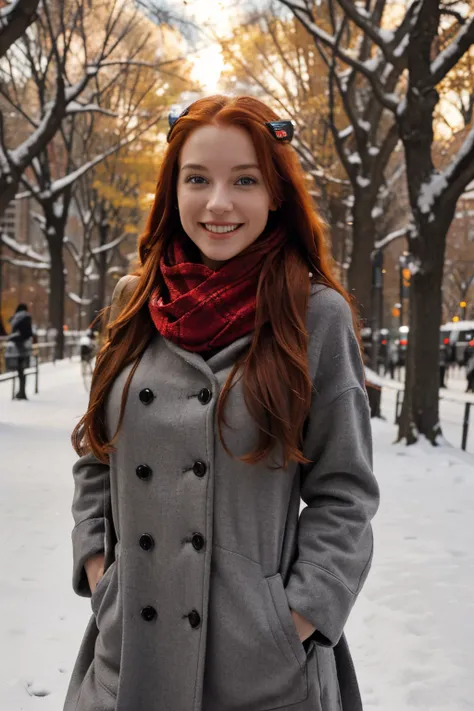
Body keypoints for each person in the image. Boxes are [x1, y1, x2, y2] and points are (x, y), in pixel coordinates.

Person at [64, 95, 380, 711]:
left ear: (275, 193)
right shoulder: (134, 303)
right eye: (197, 179)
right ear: (171, 189)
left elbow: (346, 493)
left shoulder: (314, 316)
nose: (218, 204)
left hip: (257, 674)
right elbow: (96, 458)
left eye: (244, 180)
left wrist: (294, 619)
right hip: (128, 656)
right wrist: (103, 570)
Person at [7, 303, 33, 400]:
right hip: (24, 346)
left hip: (15, 347)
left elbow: (15, 331)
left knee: (19, 370)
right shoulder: (27, 318)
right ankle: (22, 392)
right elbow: (29, 333)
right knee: (22, 370)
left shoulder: (16, 318)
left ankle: (21, 392)